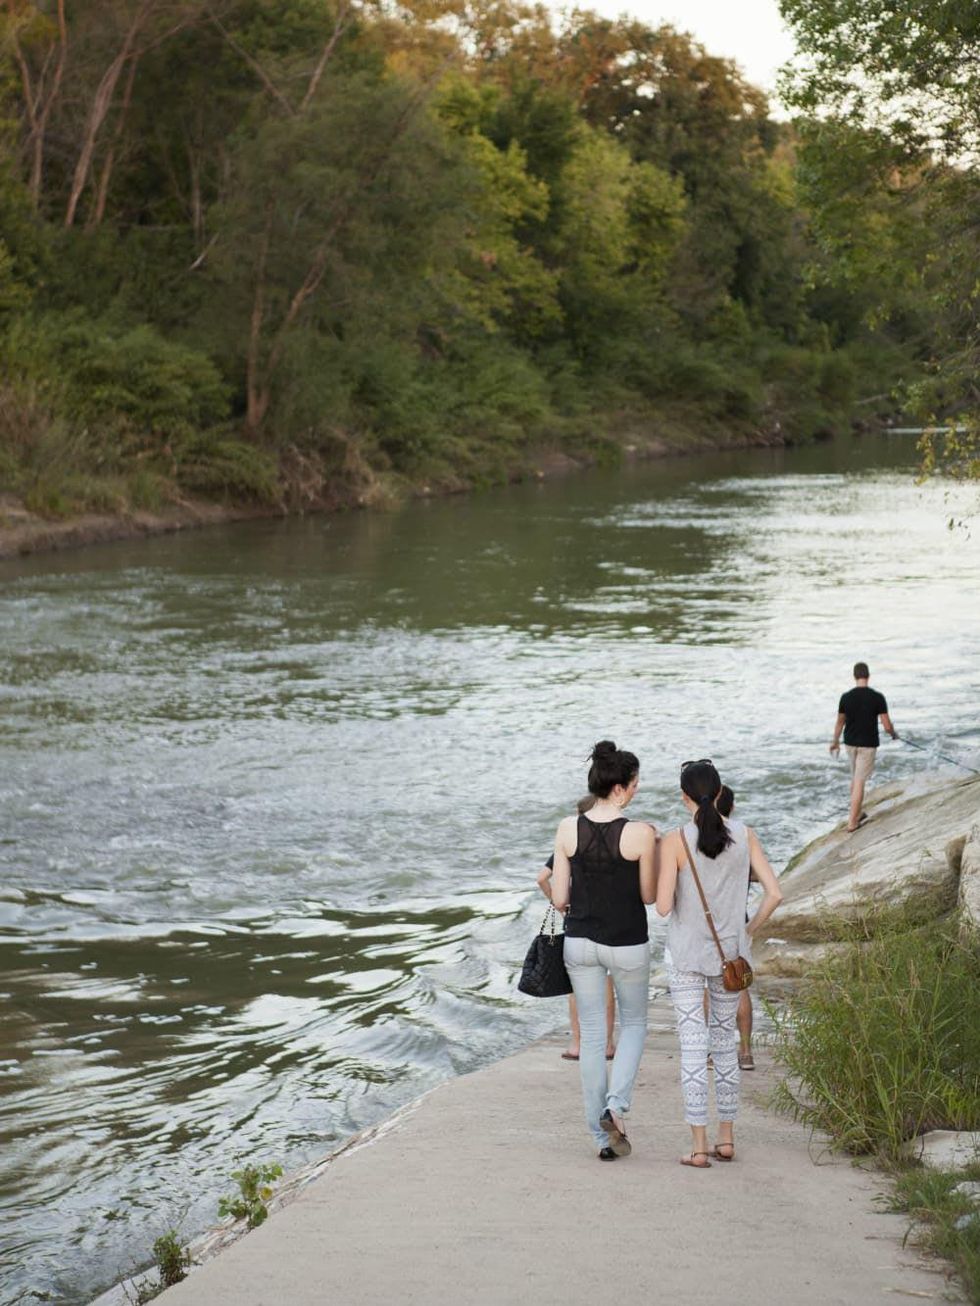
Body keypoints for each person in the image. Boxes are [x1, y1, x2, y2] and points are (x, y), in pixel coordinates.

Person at [656, 760, 782, 1169]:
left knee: (694, 1048)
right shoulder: (745, 835)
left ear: (684, 797)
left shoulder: (675, 840)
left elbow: (660, 907)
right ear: (720, 790)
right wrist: (747, 932)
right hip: (731, 956)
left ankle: (697, 1147)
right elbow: (774, 894)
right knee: (725, 1045)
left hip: (687, 956)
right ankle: (726, 1140)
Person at [550, 741, 657, 1161]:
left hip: (579, 942)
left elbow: (560, 898)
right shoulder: (641, 833)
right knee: (633, 1025)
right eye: (633, 784)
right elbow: (648, 895)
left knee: (593, 1037)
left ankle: (601, 1138)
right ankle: (617, 1105)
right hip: (627, 941)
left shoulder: (565, 828)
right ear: (618, 788)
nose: (635, 790)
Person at [537, 796, 616, 1062]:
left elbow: (542, 877)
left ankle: (578, 1043)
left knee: (575, 986)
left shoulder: (569, 842)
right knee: (605, 983)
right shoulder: (613, 841)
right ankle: (607, 1044)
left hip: (577, 921)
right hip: (609, 920)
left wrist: (560, 904)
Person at [704, 785, 755, 1070]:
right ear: (732, 808)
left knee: (709, 988)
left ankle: (714, 1051)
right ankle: (745, 1052)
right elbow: (760, 875)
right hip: (737, 920)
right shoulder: (743, 839)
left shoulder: (702, 839)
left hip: (707, 923)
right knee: (740, 984)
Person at [830, 661, 898, 832]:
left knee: (855, 778)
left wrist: (835, 741)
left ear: (855, 676)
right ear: (868, 676)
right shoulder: (877, 697)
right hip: (867, 745)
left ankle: (857, 813)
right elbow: (887, 725)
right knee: (860, 781)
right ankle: (852, 822)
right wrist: (893, 734)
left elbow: (840, 722)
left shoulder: (846, 697)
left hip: (850, 743)